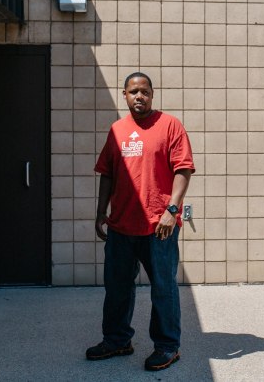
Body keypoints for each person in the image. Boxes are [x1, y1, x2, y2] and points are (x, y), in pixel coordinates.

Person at [86, 72, 194, 372]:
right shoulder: (117, 130)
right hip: (121, 225)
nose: (139, 97)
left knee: (163, 288)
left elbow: (183, 170)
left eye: (144, 91)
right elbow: (107, 173)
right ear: (124, 95)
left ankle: (167, 346)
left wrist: (171, 211)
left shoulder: (170, 125)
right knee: (117, 287)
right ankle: (117, 339)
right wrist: (100, 213)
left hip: (158, 227)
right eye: (133, 92)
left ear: (152, 94)